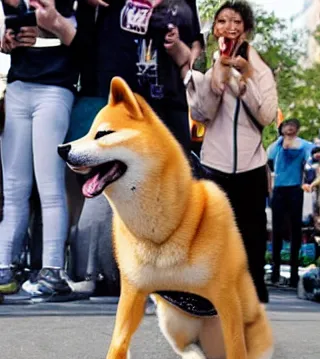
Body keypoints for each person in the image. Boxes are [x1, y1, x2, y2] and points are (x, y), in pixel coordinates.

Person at [33, 0, 204, 296]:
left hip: (170, 100)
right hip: (121, 100)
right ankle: (106, 271)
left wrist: (186, 60)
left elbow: (195, 45)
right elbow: (76, 29)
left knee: (173, 185)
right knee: (113, 184)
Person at [171, 0, 278, 303]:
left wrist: (244, 80)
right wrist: (217, 73)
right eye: (222, 22)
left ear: (245, 30)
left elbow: (267, 115)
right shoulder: (205, 66)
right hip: (214, 164)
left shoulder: (260, 68)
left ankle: (251, 307)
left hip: (251, 165)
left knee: (251, 237)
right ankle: (208, 299)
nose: (229, 27)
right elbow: (203, 114)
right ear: (215, 28)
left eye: (236, 22)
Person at [0, 0, 78, 301]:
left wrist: (46, 30)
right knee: (14, 188)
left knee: (50, 186)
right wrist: (7, 40)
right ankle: (4, 268)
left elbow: (80, 41)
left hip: (55, 89)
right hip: (18, 87)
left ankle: (52, 270)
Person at [267, 118, 313, 287]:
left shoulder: (302, 145)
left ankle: (294, 275)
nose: (290, 129)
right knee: (276, 230)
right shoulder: (277, 145)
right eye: (287, 126)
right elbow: (268, 157)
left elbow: (312, 153)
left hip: (294, 189)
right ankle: (275, 272)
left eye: (293, 126)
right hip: (279, 190)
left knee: (295, 230)